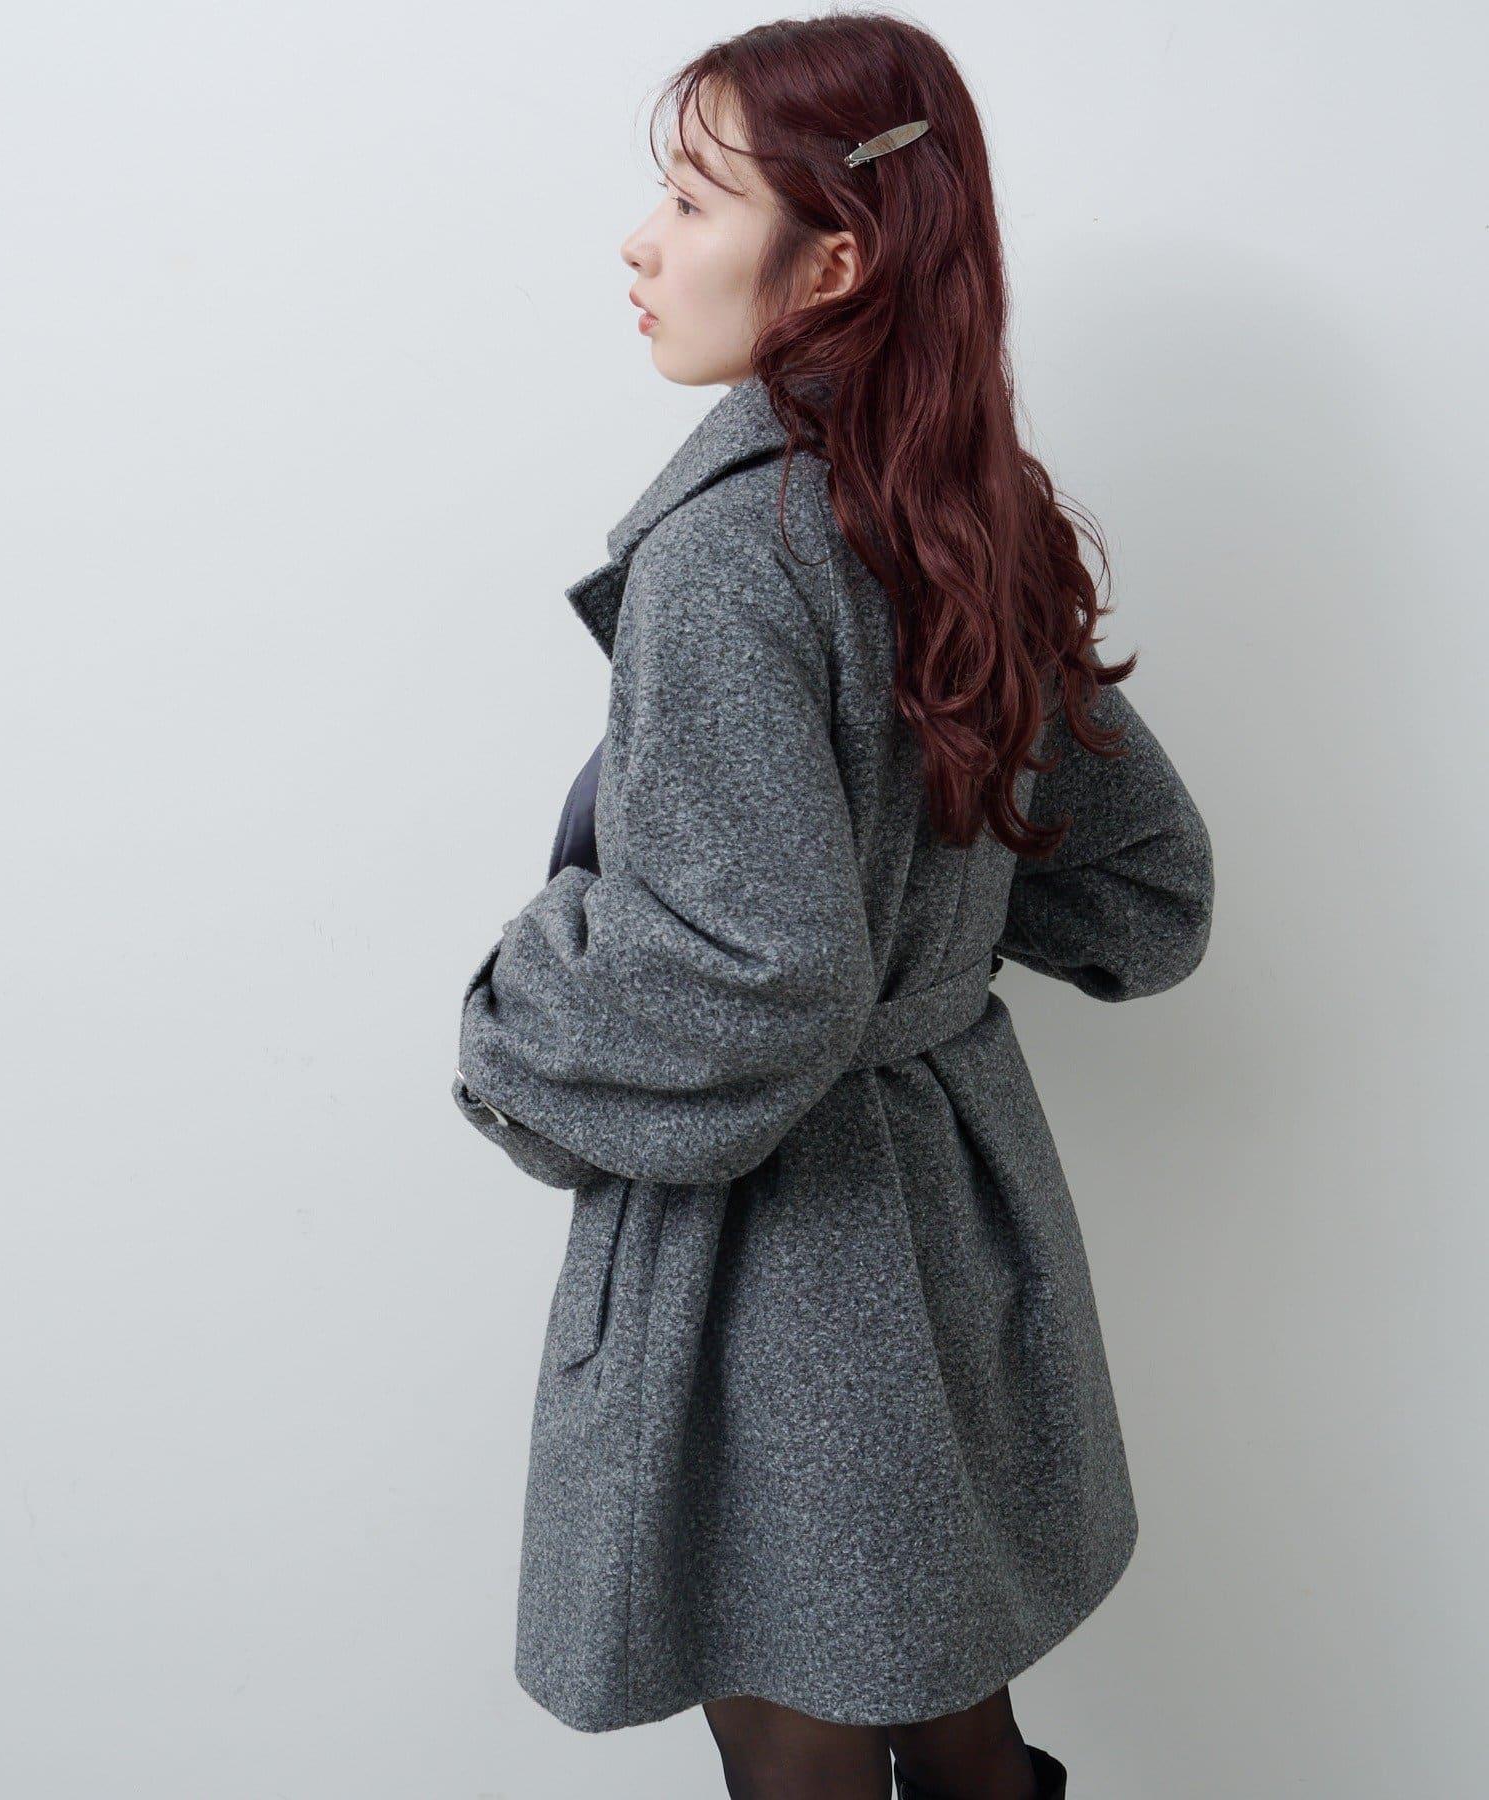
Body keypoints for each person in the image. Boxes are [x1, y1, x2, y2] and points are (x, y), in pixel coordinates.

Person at [453, 15, 1215, 1798]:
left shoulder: (730, 551)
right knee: (957, 1730)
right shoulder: (960, 511)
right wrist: (922, 927)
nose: (641, 243)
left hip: (778, 1272)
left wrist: (511, 1016)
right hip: (951, 1225)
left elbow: (755, 984)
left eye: (693, 200)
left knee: (802, 1757)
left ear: (837, 259)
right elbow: (1138, 891)